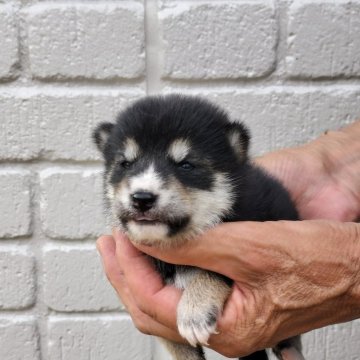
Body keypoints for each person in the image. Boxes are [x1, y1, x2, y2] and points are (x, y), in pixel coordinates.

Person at [96, 121, 360, 358]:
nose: (143, 188)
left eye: (186, 165)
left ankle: (287, 343)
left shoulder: (250, 206)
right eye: (126, 164)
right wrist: (329, 166)